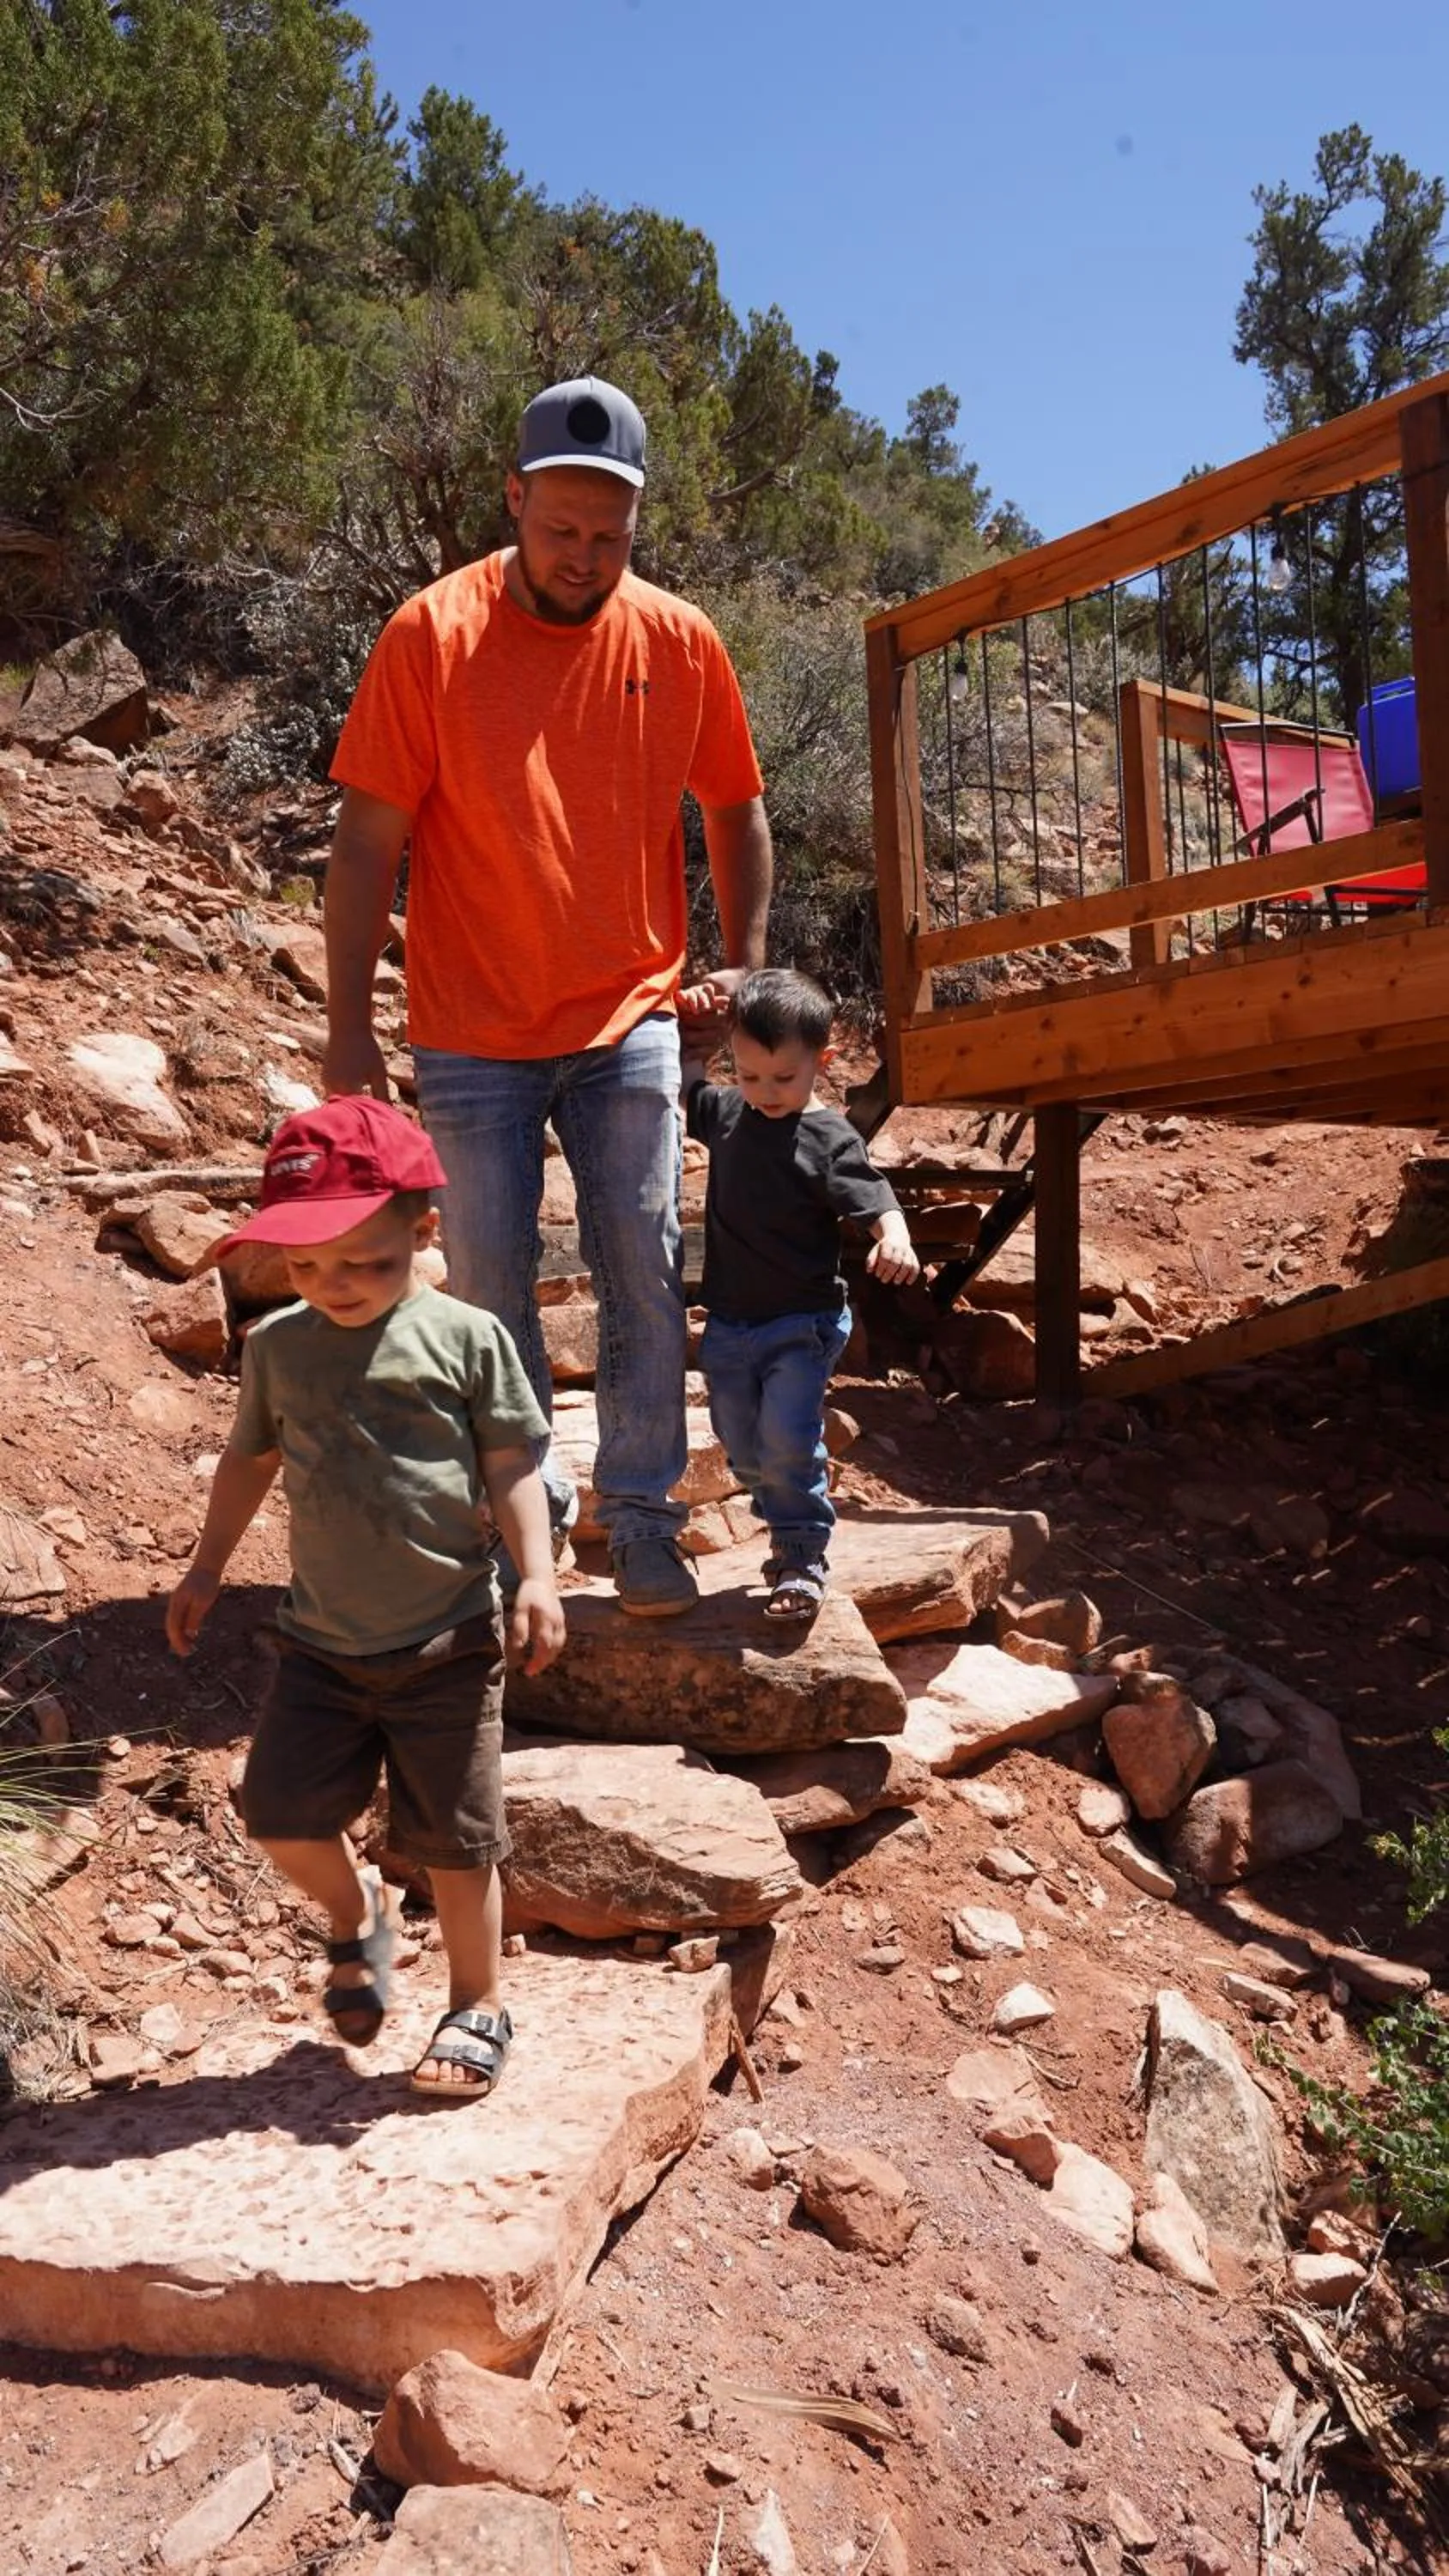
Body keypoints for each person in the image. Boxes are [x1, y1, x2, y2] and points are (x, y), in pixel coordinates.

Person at [319, 374, 773, 1619]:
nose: (583, 559)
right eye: (560, 529)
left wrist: (742, 961)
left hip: (630, 1011)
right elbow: (366, 840)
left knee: (641, 1261)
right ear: (514, 499)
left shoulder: (678, 641)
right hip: (470, 1026)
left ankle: (639, 1519)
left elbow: (734, 805)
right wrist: (349, 1025)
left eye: (609, 538)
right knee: (489, 1286)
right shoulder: (432, 634)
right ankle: (528, 1536)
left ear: (639, 526)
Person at [165, 1097, 565, 2102]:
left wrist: (539, 1576)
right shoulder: (282, 1348)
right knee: (278, 1814)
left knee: (461, 1846)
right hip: (321, 1648)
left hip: (446, 1643)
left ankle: (476, 2004)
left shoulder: (466, 1338)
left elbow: (510, 1463)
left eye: (363, 1262)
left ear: (421, 1232)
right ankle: (356, 1919)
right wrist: (207, 1567)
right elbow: (247, 1459)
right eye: (304, 1265)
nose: (331, 1285)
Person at [682, 969, 920, 1619]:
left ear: (824, 1060)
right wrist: (694, 1019)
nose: (765, 1093)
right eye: (751, 1075)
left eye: (784, 1078)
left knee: (786, 1437)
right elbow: (687, 1079)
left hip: (802, 1322)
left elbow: (874, 1196)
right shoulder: (729, 1111)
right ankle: (784, 1507)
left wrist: (893, 1237)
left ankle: (800, 1553)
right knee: (741, 1442)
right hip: (729, 1324)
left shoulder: (829, 1138)